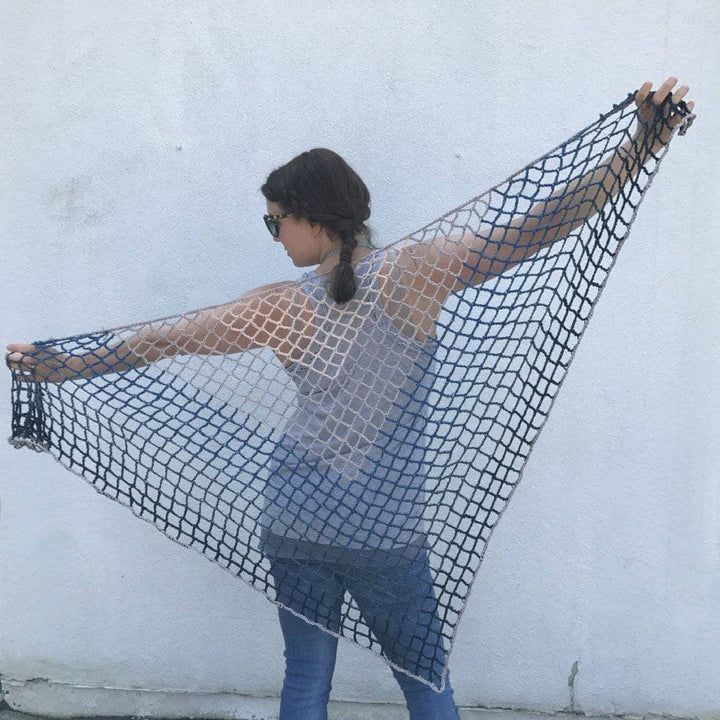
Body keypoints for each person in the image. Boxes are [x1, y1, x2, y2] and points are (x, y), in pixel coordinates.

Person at [6, 79, 692, 720]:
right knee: (426, 684)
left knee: (306, 681)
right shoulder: (417, 272)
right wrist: (641, 145)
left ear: (312, 218)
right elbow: (537, 225)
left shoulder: (275, 308)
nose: (274, 236)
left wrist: (57, 366)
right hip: (384, 529)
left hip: (296, 519)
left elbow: (155, 342)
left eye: (276, 222)